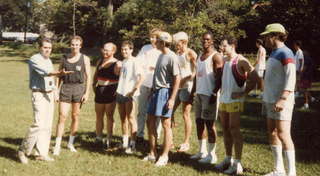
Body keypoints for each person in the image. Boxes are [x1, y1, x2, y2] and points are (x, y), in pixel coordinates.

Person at [18, 38, 73, 164]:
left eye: (49, 48)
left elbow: (50, 79)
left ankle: (41, 153)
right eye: (45, 47)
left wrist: (55, 92)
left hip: (49, 95)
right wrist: (59, 73)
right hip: (39, 94)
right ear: (40, 47)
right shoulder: (34, 59)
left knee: (47, 126)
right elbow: (46, 73)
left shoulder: (48, 60)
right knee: (38, 124)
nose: (47, 50)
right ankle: (23, 150)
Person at [215, 36, 261, 175]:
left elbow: (255, 78)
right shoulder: (224, 60)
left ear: (233, 45)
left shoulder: (241, 60)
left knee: (234, 129)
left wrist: (242, 94)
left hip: (235, 101)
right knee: (225, 129)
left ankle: (238, 163)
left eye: (224, 46)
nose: (221, 48)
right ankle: (228, 159)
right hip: (224, 99)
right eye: (221, 46)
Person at [260, 23, 297, 176]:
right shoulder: (274, 53)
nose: (264, 39)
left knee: (283, 134)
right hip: (270, 100)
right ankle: (279, 170)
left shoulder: (286, 53)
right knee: (272, 132)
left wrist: (283, 98)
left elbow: (291, 77)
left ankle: (291, 173)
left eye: (266, 36)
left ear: (274, 36)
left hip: (282, 101)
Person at [143, 31, 181, 167]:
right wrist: (152, 90)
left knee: (166, 124)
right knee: (150, 121)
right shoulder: (160, 55)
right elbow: (158, 75)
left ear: (163, 43)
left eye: (158, 40)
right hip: (155, 92)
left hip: (165, 92)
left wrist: (172, 99)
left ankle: (164, 156)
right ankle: (152, 153)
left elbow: (177, 78)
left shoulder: (172, 57)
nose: (155, 42)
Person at [189, 32, 223, 165]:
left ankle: (212, 154)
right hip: (199, 94)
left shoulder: (216, 57)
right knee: (199, 122)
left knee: (210, 125)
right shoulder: (200, 56)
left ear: (212, 41)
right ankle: (201, 151)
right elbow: (197, 76)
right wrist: (193, 92)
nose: (205, 41)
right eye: (203, 39)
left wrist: (214, 93)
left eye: (208, 39)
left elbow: (220, 78)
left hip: (210, 95)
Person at [53, 36, 91, 155]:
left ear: (80, 45)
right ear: (70, 45)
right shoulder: (64, 58)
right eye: (73, 44)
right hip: (66, 88)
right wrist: (56, 91)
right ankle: (57, 145)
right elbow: (59, 75)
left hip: (79, 88)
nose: (74, 47)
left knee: (75, 116)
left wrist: (87, 92)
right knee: (62, 116)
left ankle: (70, 143)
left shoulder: (85, 58)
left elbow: (88, 77)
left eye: (77, 44)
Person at [116, 41, 144, 153]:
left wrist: (134, 90)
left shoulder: (135, 61)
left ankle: (133, 144)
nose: (124, 51)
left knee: (131, 118)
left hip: (129, 94)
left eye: (126, 49)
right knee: (123, 118)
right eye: (122, 49)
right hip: (120, 93)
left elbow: (141, 77)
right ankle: (125, 142)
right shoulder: (124, 61)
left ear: (131, 50)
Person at [171, 31, 197, 152]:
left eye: (178, 43)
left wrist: (185, 79)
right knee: (169, 111)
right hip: (177, 86)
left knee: (185, 114)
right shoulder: (177, 53)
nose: (176, 45)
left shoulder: (190, 53)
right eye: (175, 43)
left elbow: (196, 72)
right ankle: (170, 140)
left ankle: (186, 142)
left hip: (187, 87)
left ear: (184, 42)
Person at [92, 42, 121, 149]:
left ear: (113, 51)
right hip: (99, 90)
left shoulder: (117, 63)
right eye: (104, 49)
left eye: (108, 50)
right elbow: (95, 76)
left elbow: (121, 79)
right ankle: (98, 137)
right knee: (99, 116)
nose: (105, 51)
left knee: (109, 116)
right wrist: (93, 86)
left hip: (111, 91)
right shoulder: (100, 61)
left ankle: (109, 138)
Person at [136, 28, 162, 143]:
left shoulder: (163, 50)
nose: (153, 39)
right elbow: (138, 63)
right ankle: (139, 134)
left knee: (156, 113)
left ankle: (156, 135)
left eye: (156, 37)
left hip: (157, 86)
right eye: (151, 37)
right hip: (144, 84)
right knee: (141, 111)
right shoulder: (145, 48)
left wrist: (155, 68)